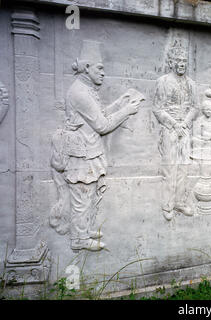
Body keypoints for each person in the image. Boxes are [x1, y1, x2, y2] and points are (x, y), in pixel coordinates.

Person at [49, 40, 143, 251]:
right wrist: (127, 111)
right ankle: (79, 240)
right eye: (99, 68)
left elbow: (98, 115)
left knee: (88, 196)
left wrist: (121, 103)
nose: (103, 73)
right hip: (81, 156)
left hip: (89, 152)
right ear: (87, 67)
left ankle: (84, 231)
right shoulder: (80, 93)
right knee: (82, 198)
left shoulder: (86, 89)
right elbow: (102, 125)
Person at [153, 45, 198, 221]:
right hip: (169, 130)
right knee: (170, 168)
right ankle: (167, 204)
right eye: (178, 61)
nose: (182, 64)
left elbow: (196, 107)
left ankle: (180, 202)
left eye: (184, 61)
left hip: (185, 130)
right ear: (172, 62)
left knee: (184, 168)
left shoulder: (191, 84)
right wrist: (174, 124)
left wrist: (185, 123)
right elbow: (157, 108)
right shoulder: (163, 81)